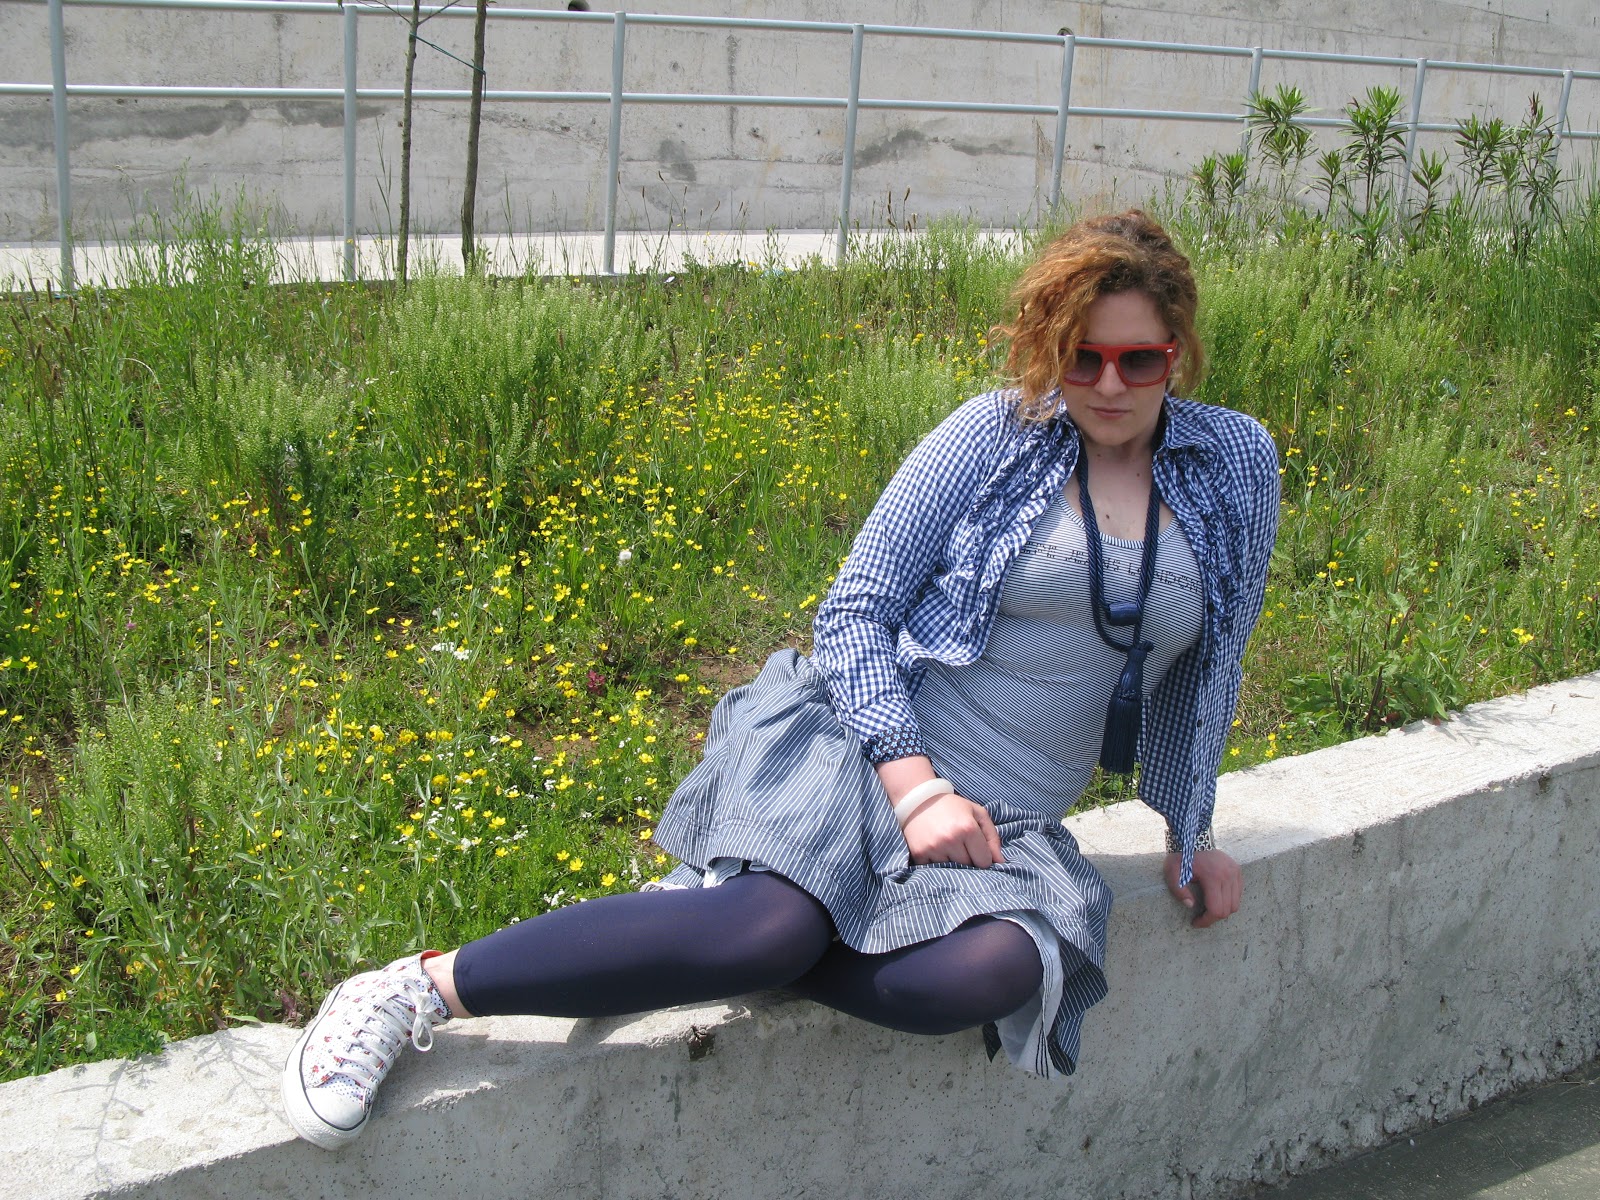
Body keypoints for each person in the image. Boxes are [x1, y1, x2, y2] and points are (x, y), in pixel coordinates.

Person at [281, 209, 1280, 1151]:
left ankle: (703, 924)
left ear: (1177, 354)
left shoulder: (1234, 463)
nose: (1107, 384)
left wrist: (1188, 833)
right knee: (766, 934)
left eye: (1138, 360)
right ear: (1050, 349)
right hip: (872, 752)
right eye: (1081, 357)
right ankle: (417, 988)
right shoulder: (993, 434)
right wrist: (917, 789)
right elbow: (854, 612)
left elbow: (1213, 661)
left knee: (979, 978)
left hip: (1004, 822)